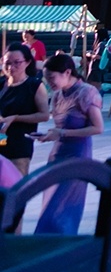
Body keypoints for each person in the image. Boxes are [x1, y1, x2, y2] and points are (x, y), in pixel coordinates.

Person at [33, 52, 105, 235]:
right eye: (47, 78)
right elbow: (60, 127)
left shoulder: (86, 92)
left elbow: (98, 128)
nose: (49, 83)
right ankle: (46, 243)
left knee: (62, 208)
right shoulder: (58, 95)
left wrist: (63, 133)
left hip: (77, 155)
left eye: (52, 78)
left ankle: (60, 243)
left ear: (67, 72)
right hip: (57, 154)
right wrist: (49, 135)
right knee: (50, 205)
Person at [1, 44, 48, 178]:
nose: (11, 67)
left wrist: (15, 118)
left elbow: (44, 115)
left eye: (17, 63)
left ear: (27, 62)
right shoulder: (2, 83)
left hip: (19, 144)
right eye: (7, 63)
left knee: (17, 183)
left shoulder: (34, 86)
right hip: (1, 139)